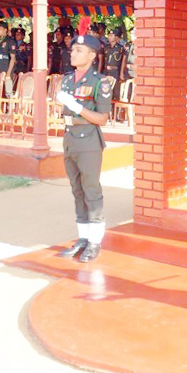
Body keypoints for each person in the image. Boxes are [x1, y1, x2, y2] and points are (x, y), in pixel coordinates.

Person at [55, 33, 112, 263]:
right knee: (77, 190)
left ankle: (95, 241)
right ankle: (83, 237)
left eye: (79, 50)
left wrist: (77, 107)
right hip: (70, 138)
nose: (73, 53)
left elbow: (102, 118)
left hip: (88, 140)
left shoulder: (100, 82)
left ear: (92, 55)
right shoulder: (67, 80)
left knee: (91, 190)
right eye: (73, 50)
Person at [0, 21, 17, 97]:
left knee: (8, 92)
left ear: (5, 30)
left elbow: (12, 58)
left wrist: (8, 73)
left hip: (7, 69)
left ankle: (10, 104)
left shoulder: (10, 41)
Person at [104, 27, 128, 102]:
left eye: (111, 35)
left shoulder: (120, 48)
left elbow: (123, 61)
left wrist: (121, 73)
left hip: (115, 71)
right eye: (109, 35)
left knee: (115, 92)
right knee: (105, 91)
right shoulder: (106, 47)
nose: (109, 37)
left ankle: (115, 108)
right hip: (106, 71)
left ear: (116, 37)